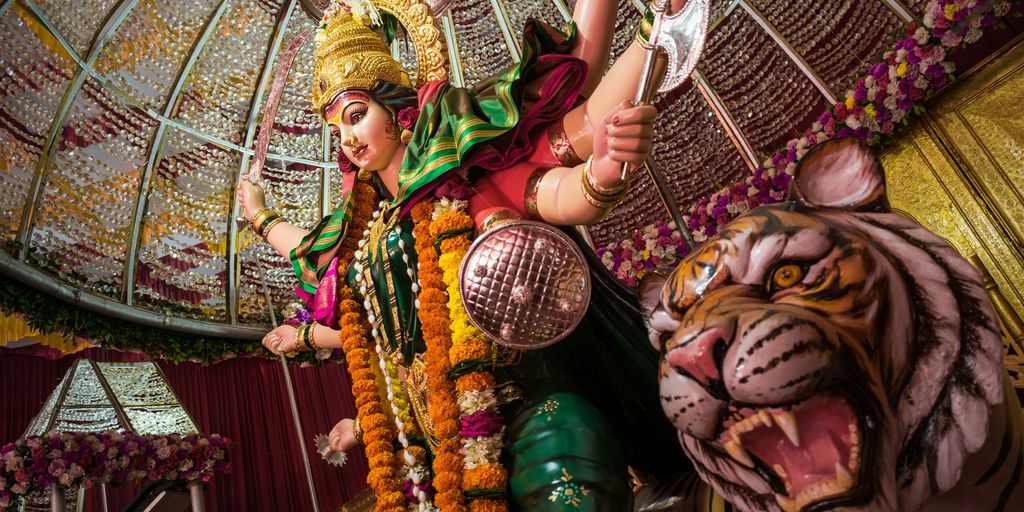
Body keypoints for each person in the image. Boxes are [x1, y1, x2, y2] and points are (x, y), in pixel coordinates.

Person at [238, 0, 689, 509]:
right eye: (336, 129)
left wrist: (605, 165)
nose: (346, 139)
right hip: (435, 450)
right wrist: (261, 218)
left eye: (356, 116)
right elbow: (351, 305)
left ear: (397, 110)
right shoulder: (366, 238)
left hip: (529, 413)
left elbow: (571, 158)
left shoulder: (458, 179)